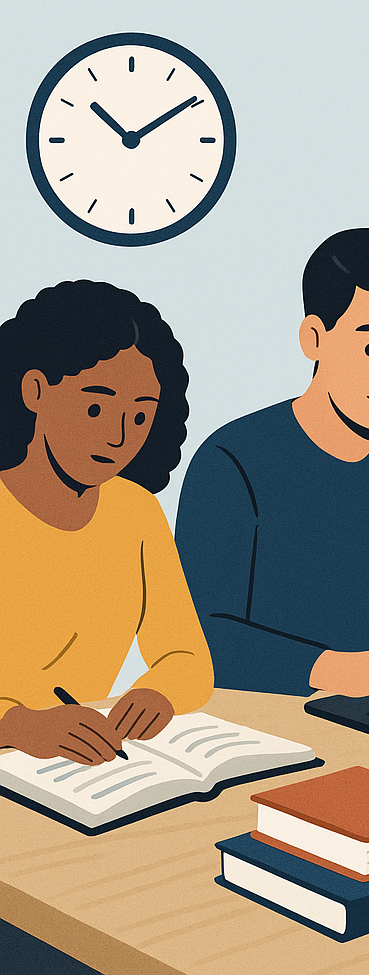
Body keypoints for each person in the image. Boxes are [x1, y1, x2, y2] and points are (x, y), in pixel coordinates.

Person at [175, 228, 369, 707]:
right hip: (254, 722)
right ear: (314, 338)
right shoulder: (231, 461)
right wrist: (338, 669)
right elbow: (201, 639)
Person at [0, 280, 214, 765]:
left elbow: (187, 658)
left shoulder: (135, 511)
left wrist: (158, 693)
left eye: (140, 417)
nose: (118, 437)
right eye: (95, 406)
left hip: (89, 768)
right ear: (35, 390)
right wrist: (19, 725)